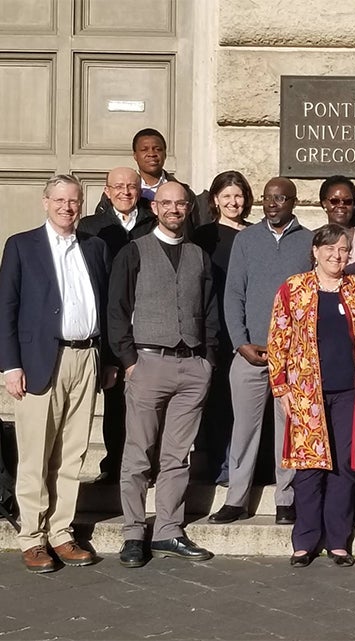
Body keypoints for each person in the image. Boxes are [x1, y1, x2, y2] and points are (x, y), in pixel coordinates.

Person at [0, 174, 113, 573]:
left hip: (87, 358)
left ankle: (62, 532)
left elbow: (104, 304)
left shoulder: (94, 247)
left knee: (72, 452)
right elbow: (6, 308)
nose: (68, 207)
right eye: (60, 200)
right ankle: (32, 536)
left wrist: (108, 361)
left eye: (74, 201)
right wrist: (10, 365)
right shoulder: (21, 246)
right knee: (35, 453)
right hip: (38, 361)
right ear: (45, 201)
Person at [110, 181, 218, 568]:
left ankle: (168, 529)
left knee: (177, 456)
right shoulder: (133, 252)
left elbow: (209, 311)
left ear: (189, 208)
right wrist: (129, 361)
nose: (173, 209)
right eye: (166, 203)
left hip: (192, 367)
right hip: (148, 362)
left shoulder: (199, 256)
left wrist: (207, 360)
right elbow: (118, 310)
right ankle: (134, 532)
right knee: (138, 454)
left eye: (180, 204)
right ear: (154, 209)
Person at [268, 224, 355, 568]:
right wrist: (281, 385)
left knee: (345, 466)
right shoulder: (294, 288)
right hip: (306, 393)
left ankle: (338, 540)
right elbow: (278, 338)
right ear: (315, 251)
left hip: (350, 392)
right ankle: (304, 540)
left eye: (343, 249)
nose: (336, 254)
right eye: (329, 248)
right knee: (309, 467)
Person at [209, 177, 313, 526]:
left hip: (292, 356)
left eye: (280, 198)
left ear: (293, 202)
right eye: (268, 198)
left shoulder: (309, 242)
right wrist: (240, 342)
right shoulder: (245, 239)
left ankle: (286, 500)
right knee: (244, 429)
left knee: (288, 432)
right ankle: (236, 498)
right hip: (250, 351)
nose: (272, 204)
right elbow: (233, 294)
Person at [77, 167, 156, 484]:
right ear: (107, 192)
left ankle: (149, 465)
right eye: (118, 186)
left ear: (140, 191)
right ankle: (114, 465)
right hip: (111, 326)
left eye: (132, 186)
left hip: (150, 324)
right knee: (116, 401)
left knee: (150, 404)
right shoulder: (90, 228)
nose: (125, 192)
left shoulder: (153, 224)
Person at [191, 170, 254, 484]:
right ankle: (219, 463)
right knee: (218, 398)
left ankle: (248, 464)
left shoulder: (256, 234)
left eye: (238, 196)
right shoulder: (204, 236)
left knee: (247, 401)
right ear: (215, 199)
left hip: (248, 329)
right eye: (227, 196)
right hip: (216, 326)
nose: (233, 202)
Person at [94, 128, 208, 230]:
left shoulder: (183, 192)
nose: (151, 154)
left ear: (165, 154)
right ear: (135, 155)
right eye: (144, 150)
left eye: (157, 149)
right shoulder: (119, 193)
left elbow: (196, 228)